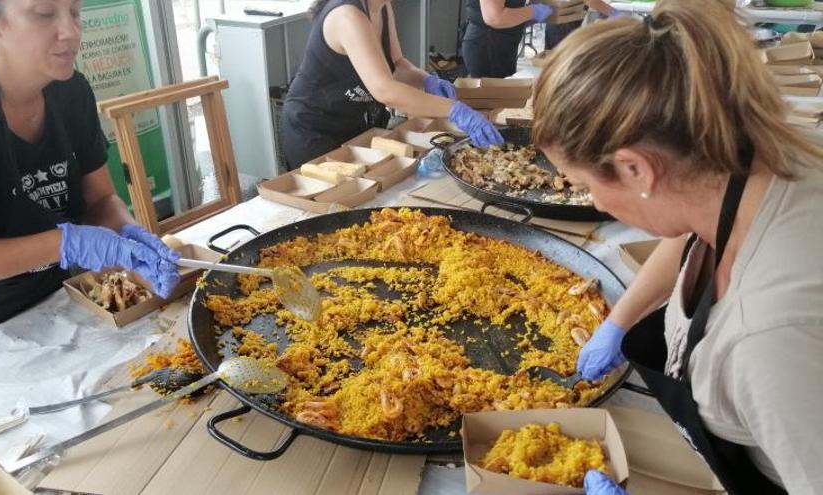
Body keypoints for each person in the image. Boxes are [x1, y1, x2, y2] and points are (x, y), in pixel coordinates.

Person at [532, 1, 823, 493]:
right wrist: (618, 320)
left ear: (636, 169)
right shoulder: (740, 165)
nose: (593, 202)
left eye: (581, 184)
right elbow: (694, 230)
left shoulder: (767, 339)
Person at [0, 0, 180, 338]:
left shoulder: (71, 91)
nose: (71, 31)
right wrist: (67, 243)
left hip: (62, 299)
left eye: (75, 12)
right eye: (44, 14)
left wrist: (129, 236)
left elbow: (101, 199)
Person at [281, 0, 503, 169]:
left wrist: (426, 79)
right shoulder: (347, 15)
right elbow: (385, 90)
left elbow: (396, 64)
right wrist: (454, 110)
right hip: (313, 128)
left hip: (350, 122)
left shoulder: (382, 6)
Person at [461, 0, 552, 78]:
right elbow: (494, 18)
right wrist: (534, 11)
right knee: (494, 95)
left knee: (500, 93)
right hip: (488, 46)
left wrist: (533, 15)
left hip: (500, 46)